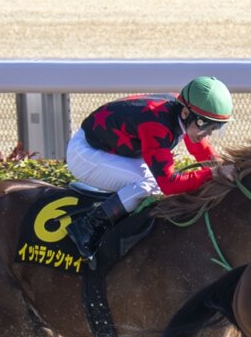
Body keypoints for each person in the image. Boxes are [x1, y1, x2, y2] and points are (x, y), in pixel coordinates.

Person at [64, 75, 235, 262]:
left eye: (214, 128)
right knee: (150, 183)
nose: (207, 134)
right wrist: (214, 174)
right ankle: (89, 226)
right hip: (85, 154)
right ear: (186, 114)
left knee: (151, 179)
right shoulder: (157, 125)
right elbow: (169, 184)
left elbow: (199, 147)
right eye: (206, 126)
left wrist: (221, 168)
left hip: (108, 147)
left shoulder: (181, 111)